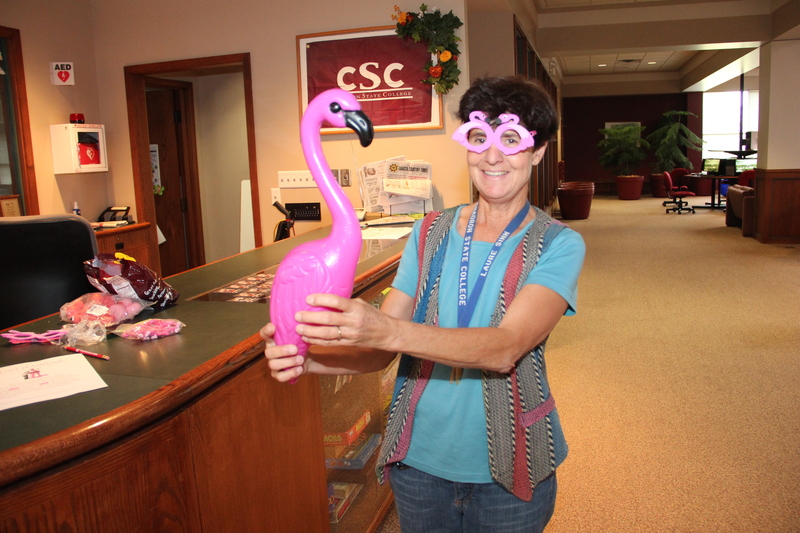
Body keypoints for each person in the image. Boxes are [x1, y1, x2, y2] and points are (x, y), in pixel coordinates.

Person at [261, 76, 585, 532]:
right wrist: (309, 359)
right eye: (478, 138)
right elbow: (378, 352)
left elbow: (505, 347)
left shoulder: (559, 244)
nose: (492, 156)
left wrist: (385, 330)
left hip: (511, 471)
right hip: (419, 465)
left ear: (537, 151)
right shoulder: (429, 231)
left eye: (511, 139)